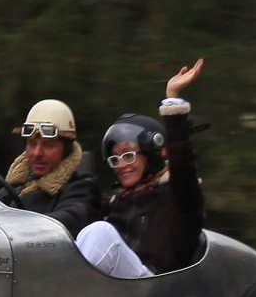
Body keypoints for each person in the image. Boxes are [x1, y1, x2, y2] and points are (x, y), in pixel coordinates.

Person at [76, 59, 206, 278]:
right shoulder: (117, 204)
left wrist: (172, 100)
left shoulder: (178, 196)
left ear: (153, 153)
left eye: (129, 155)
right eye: (115, 159)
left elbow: (183, 165)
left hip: (158, 287)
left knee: (100, 232)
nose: (121, 165)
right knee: (81, 234)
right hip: (119, 289)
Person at [0, 99, 103, 238]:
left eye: (49, 145)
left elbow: (63, 224)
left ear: (66, 149)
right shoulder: (16, 186)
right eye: (32, 144)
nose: (37, 153)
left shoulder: (83, 190)